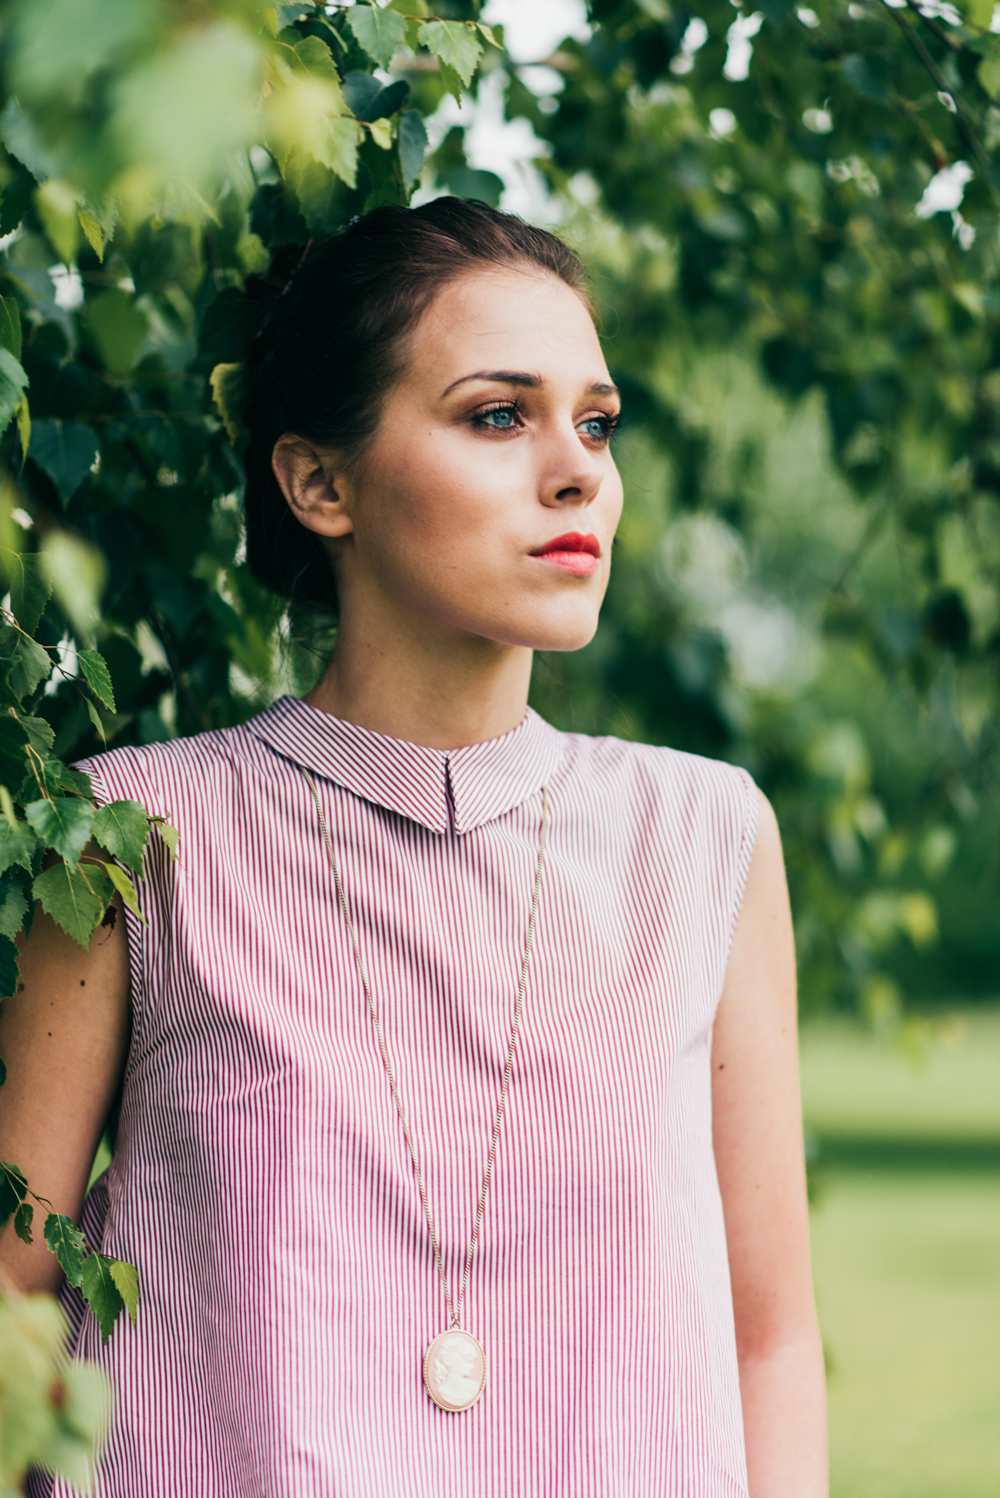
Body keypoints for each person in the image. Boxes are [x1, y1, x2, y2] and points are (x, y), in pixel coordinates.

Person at [0, 198, 827, 1496]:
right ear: (319, 482)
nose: (577, 471)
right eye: (499, 414)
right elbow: (10, 1301)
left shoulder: (707, 838)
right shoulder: (131, 844)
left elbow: (767, 1334)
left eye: (596, 422)